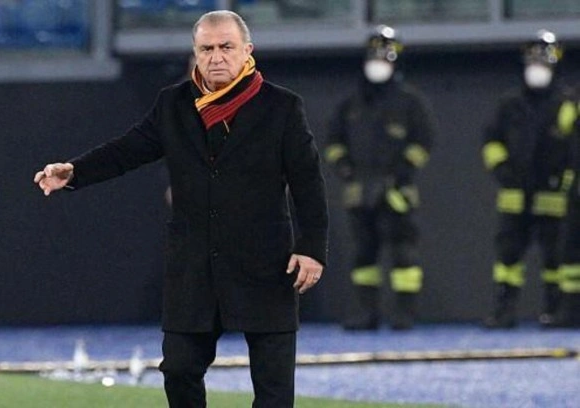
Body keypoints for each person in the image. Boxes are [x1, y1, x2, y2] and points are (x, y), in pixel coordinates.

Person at [34, 10, 328, 407]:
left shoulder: (282, 107)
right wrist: (75, 172)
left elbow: (308, 181)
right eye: (206, 49)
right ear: (195, 52)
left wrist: (312, 247)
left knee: (274, 389)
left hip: (264, 264)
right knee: (178, 370)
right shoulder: (173, 104)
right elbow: (128, 149)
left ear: (247, 51)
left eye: (226, 47)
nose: (216, 57)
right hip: (194, 265)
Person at [324, 25, 436, 331]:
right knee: (363, 255)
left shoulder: (409, 102)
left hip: (397, 191)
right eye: (373, 57)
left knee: (403, 254)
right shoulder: (351, 103)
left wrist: (404, 169)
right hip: (359, 191)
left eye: (384, 58)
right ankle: (366, 313)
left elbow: (424, 140)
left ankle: (405, 314)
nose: (378, 64)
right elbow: (333, 140)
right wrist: (343, 166)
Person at [481, 30, 577, 329]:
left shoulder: (567, 103)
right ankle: (504, 311)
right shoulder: (509, 103)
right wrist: (501, 169)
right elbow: (491, 140)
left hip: (553, 195)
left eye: (543, 62)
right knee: (508, 257)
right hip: (514, 194)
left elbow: (573, 146)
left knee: (555, 258)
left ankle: (555, 310)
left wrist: (565, 179)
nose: (537, 68)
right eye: (533, 61)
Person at [542, 95, 580, 328]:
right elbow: (561, 140)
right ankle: (570, 310)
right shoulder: (571, 105)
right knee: (570, 250)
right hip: (576, 191)